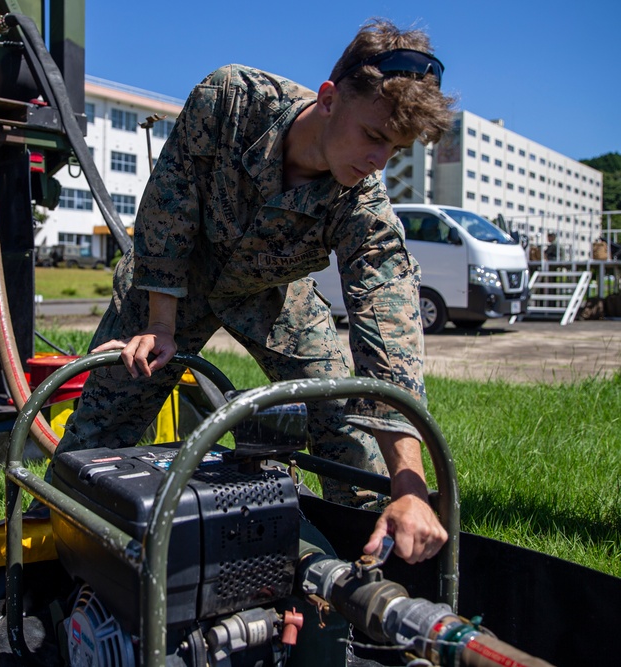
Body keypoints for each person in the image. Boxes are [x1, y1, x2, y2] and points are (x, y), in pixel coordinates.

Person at [55, 19, 456, 564]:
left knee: (347, 430)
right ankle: (58, 541)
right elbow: (167, 210)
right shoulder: (233, 101)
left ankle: (362, 566)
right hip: (173, 283)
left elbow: (389, 339)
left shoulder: (363, 207)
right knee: (103, 420)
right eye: (374, 136)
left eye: (396, 150)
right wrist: (161, 325)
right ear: (330, 98)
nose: (378, 161)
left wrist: (409, 485)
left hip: (272, 294)